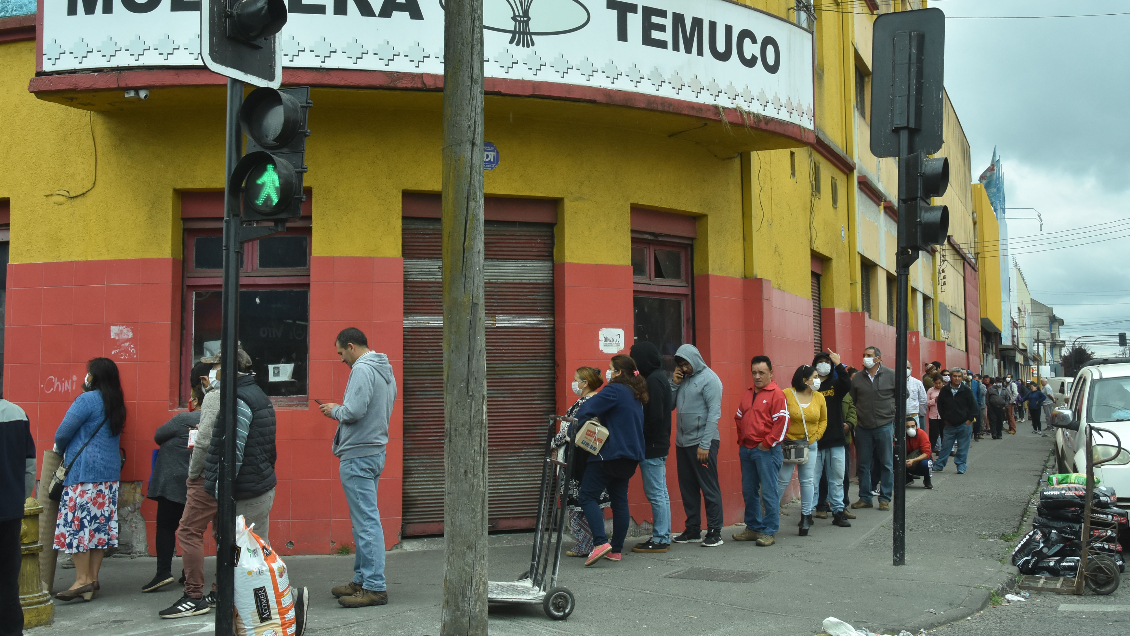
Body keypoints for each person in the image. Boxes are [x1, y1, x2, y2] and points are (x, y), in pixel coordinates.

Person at [163, 349, 276, 619]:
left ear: (224, 367)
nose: (210, 372)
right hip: (253, 481)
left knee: (189, 531)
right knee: (229, 538)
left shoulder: (221, 395)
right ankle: (219, 590)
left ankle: (193, 595)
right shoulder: (258, 394)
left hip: (213, 477)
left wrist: (194, 474)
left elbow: (206, 442)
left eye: (214, 365)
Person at [319, 328, 397, 608]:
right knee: (365, 519)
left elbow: (353, 411)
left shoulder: (362, 369)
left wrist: (333, 410)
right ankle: (362, 579)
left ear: (351, 346)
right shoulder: (385, 369)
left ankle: (374, 586)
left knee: (366, 521)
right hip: (375, 451)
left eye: (340, 353)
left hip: (358, 453)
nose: (341, 359)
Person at [52, 358, 127, 602]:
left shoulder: (86, 400)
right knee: (98, 529)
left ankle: (81, 580)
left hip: (83, 475)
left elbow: (62, 432)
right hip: (108, 477)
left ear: (93, 377)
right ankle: (92, 579)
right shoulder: (116, 402)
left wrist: (60, 450)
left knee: (79, 529)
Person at [142, 363, 209, 593]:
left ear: (195, 396)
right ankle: (186, 573)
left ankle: (163, 573)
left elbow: (158, 435)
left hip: (171, 483)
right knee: (192, 530)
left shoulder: (182, 420)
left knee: (165, 526)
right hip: (196, 483)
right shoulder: (213, 420)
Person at [574, 355, 647, 565]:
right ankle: (615, 550)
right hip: (631, 456)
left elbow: (587, 409)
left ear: (619, 373)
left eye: (610, 369)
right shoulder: (636, 394)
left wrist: (580, 427)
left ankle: (600, 542)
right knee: (620, 501)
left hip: (609, 453)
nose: (607, 373)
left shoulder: (614, 390)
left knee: (587, 496)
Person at [670, 344, 725, 547]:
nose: (684, 368)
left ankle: (714, 531)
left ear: (695, 359)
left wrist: (706, 444)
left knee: (709, 487)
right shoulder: (683, 380)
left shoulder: (711, 380)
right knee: (688, 488)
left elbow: (714, 414)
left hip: (703, 442)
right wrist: (674, 384)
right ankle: (693, 529)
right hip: (683, 442)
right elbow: (670, 405)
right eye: (681, 365)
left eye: (686, 364)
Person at [732, 356, 789, 547]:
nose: (757, 376)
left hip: (766, 451)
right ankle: (753, 527)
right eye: (754, 372)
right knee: (749, 491)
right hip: (747, 449)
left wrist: (767, 443)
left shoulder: (777, 394)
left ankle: (769, 530)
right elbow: (739, 417)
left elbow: (782, 423)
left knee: (769, 492)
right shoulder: (748, 393)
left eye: (761, 373)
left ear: (771, 373)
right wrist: (742, 441)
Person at [629, 342, 675, 554]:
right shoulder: (658, 378)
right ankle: (662, 535)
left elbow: (654, 416)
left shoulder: (654, 381)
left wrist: (641, 436)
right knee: (660, 493)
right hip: (657, 443)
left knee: (656, 493)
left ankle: (660, 538)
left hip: (652, 445)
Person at [557, 367, 607, 557]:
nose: (574, 383)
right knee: (590, 499)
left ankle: (585, 544)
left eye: (576, 379)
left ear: (585, 383)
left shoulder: (585, 403)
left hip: (579, 456)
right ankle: (592, 543)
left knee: (579, 499)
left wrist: (554, 442)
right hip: (591, 455)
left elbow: (571, 428)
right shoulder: (598, 400)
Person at [778, 365, 828, 535]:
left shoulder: (819, 397)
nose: (818, 379)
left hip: (809, 444)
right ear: (804, 379)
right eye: (814, 376)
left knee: (808, 481)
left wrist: (816, 436)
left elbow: (823, 420)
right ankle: (771, 513)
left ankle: (806, 516)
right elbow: (780, 416)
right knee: (782, 479)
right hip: (789, 444)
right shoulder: (787, 394)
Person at [1, 398, 35, 633]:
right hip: (9, 513)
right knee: (7, 584)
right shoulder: (18, 413)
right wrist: (17, 500)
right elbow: (29, 466)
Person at [849, 346, 895, 511]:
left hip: (885, 425)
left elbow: (902, 396)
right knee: (863, 464)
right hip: (863, 427)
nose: (865, 358)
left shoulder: (891, 375)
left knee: (886, 463)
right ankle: (865, 497)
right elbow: (852, 401)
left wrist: (892, 414)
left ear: (878, 358)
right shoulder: (857, 378)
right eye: (864, 355)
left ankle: (885, 498)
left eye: (869, 355)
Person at [812, 351, 851, 523]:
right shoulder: (811, 387)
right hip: (815, 441)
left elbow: (847, 384)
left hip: (836, 439)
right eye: (819, 362)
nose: (823, 365)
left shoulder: (836, 384)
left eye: (826, 362)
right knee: (812, 480)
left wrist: (839, 364)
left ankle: (838, 511)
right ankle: (808, 512)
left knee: (837, 478)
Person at [933, 369, 978, 474]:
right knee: (945, 446)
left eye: (959, 376)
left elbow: (974, 407)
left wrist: (969, 420)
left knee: (963, 447)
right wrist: (944, 418)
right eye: (955, 376)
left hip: (964, 424)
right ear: (951, 377)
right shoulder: (945, 390)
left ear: (962, 378)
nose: (957, 378)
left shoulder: (966, 390)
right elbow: (940, 405)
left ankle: (961, 466)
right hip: (949, 425)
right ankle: (939, 465)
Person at [903, 416, 933, 489]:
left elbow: (926, 453)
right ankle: (907, 477)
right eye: (908, 427)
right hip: (906, 459)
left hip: (919, 460)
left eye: (913, 426)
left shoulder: (922, 434)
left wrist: (913, 460)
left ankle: (927, 479)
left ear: (916, 427)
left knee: (926, 464)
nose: (910, 429)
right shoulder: (902, 435)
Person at [906, 361, 928, 427]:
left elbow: (923, 400)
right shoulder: (894, 382)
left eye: (908, 368)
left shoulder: (917, 383)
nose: (906, 369)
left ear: (911, 369)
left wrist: (920, 415)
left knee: (915, 436)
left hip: (913, 417)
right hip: (899, 418)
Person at [926, 377, 943, 454]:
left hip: (943, 415)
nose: (938, 385)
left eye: (939, 383)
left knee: (944, 434)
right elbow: (926, 402)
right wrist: (934, 400)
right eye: (936, 383)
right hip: (933, 415)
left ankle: (944, 450)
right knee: (933, 434)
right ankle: (930, 450)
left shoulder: (945, 390)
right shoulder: (930, 390)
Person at [969, 372, 985, 441]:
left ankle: (976, 434)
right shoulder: (963, 383)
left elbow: (979, 394)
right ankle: (969, 435)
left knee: (977, 420)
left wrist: (979, 403)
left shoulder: (976, 383)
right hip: (967, 405)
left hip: (975, 404)